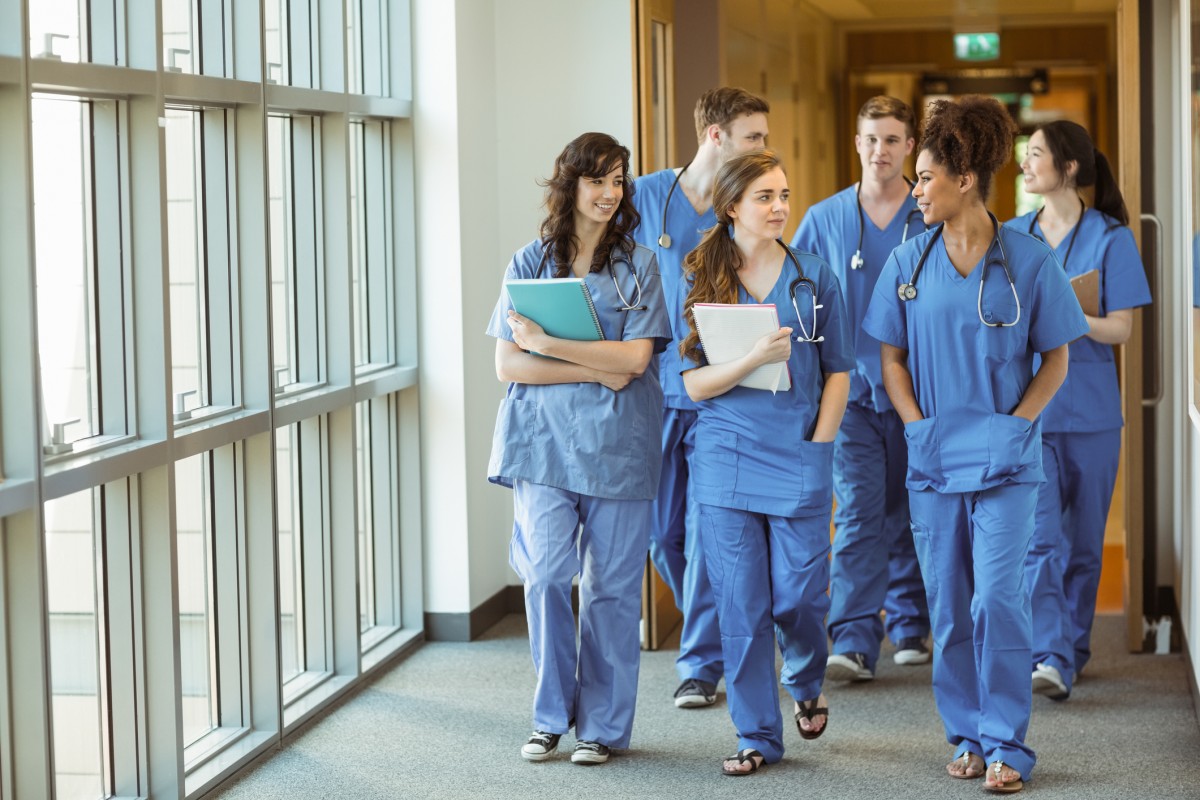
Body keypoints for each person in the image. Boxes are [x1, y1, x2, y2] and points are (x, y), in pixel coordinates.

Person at [862, 96, 1089, 794]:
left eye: (926, 177)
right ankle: (965, 734)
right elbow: (891, 358)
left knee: (998, 599)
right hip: (934, 456)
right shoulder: (909, 260)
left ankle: (1006, 744)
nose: (915, 189)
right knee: (951, 604)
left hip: (1006, 460)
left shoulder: (1029, 259)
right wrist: (914, 425)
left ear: (964, 181)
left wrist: (1018, 425)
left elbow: (1057, 357)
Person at [486, 132, 672, 765]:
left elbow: (635, 361)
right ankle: (549, 717)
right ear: (570, 185)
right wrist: (591, 364)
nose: (609, 193)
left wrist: (547, 344)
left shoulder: (639, 265)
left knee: (611, 591)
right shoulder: (528, 263)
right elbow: (509, 364)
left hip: (619, 445)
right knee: (543, 577)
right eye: (598, 180)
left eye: (618, 180)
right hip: (542, 445)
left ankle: (601, 727)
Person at [678, 150, 853, 775]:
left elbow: (839, 372)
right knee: (741, 604)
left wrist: (820, 446)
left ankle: (804, 678)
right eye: (765, 197)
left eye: (784, 195)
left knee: (800, 597)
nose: (780, 207)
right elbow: (693, 385)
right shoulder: (699, 277)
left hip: (799, 452)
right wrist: (752, 359)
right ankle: (756, 735)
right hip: (726, 456)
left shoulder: (815, 277)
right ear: (732, 207)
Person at [632, 86, 770, 708]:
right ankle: (730, 620)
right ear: (716, 136)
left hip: (718, 393)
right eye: (753, 136)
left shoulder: (743, 203)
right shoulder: (645, 196)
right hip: (654, 392)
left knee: (707, 529)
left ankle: (700, 663)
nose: (763, 147)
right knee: (663, 536)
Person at [1006, 121, 1152, 700]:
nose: (1025, 164)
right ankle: (1050, 654)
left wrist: (1068, 314)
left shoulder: (1111, 238)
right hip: (1033, 411)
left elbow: (1121, 329)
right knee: (1039, 539)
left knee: (1085, 545)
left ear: (1068, 167)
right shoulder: (1012, 237)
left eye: (1036, 154)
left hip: (1092, 416)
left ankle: (1070, 649)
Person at [789, 95, 931, 682]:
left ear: (910, 146)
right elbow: (796, 294)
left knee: (914, 507)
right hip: (849, 395)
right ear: (856, 143)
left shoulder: (931, 214)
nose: (880, 151)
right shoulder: (824, 219)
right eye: (871, 139)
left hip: (919, 392)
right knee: (858, 512)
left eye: (893, 139)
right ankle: (852, 637)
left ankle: (910, 623)